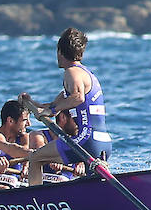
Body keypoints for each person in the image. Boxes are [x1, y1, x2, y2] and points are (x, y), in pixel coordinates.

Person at [19, 27, 112, 186]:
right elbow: (51, 106)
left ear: (60, 52)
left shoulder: (71, 73)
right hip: (103, 142)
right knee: (92, 185)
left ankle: (36, 204)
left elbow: (77, 97)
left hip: (86, 140)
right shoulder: (87, 74)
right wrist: (31, 103)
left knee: (35, 158)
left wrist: (52, 110)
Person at [0, 99, 33, 188]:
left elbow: (25, 157)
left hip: (15, 183)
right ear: (10, 121)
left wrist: (25, 168)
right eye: (24, 120)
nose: (29, 124)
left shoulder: (23, 137)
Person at [26, 108, 85, 182]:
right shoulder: (38, 136)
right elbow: (41, 153)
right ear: (63, 117)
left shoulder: (80, 140)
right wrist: (53, 158)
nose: (79, 124)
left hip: (68, 185)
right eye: (76, 120)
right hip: (44, 185)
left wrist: (81, 163)